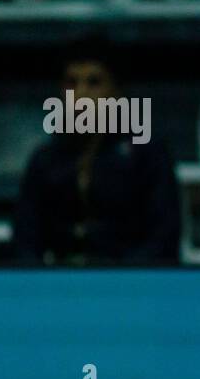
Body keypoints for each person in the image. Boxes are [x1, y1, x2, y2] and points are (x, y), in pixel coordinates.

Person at [14, 41, 181, 265]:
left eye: (94, 82)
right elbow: (25, 240)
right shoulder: (45, 158)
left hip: (129, 282)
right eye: (72, 83)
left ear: (117, 91)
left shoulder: (148, 154)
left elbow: (164, 238)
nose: (81, 94)